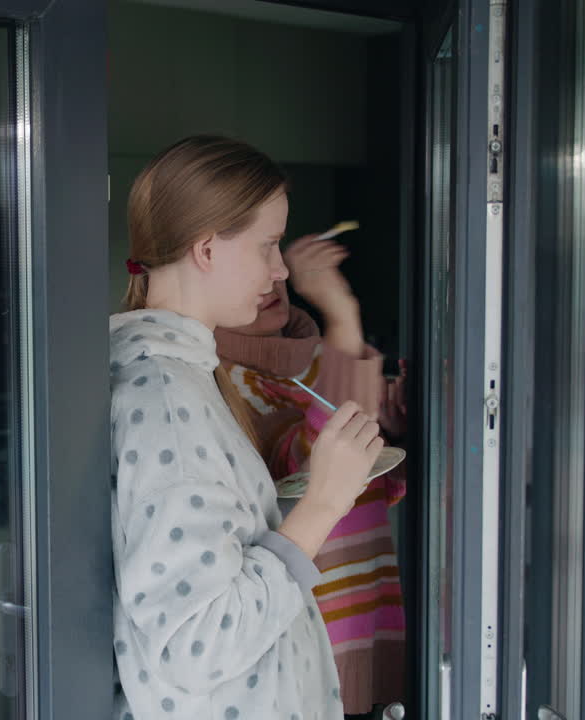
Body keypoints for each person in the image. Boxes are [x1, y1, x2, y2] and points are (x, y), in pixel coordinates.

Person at [111, 135, 384, 720]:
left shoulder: (180, 375)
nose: (280, 267)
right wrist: (324, 503)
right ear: (207, 249)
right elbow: (197, 644)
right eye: (268, 244)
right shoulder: (165, 396)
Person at [215, 236, 410, 719]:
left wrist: (404, 433)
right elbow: (309, 466)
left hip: (375, 612)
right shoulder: (220, 382)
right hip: (314, 638)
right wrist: (342, 313)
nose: (276, 274)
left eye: (275, 250)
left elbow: (373, 489)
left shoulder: (328, 360)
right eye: (255, 254)